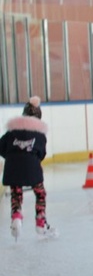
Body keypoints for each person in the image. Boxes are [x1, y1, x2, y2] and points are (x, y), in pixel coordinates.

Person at [0, 96, 57, 240]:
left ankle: (17, 218)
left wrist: (13, 157)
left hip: (12, 168)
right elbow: (41, 154)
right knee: (40, 194)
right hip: (32, 169)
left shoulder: (11, 132)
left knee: (16, 194)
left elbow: (1, 148)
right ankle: (40, 223)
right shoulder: (40, 135)